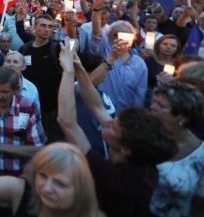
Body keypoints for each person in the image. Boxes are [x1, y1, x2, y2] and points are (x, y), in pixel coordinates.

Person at [56, 39, 177, 217]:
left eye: (113, 126)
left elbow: (67, 121)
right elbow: (97, 106)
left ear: (125, 148)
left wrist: (67, 71)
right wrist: (78, 67)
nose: (108, 122)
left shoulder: (114, 179)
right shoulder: (143, 162)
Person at [0, 142, 105, 217]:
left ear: (80, 189)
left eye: (60, 184)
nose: (46, 188)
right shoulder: (22, 192)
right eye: (43, 176)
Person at [149, 83, 204, 217]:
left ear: (182, 117)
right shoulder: (145, 133)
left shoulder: (200, 154)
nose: (152, 107)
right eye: (153, 102)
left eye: (160, 106)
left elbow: (200, 204)